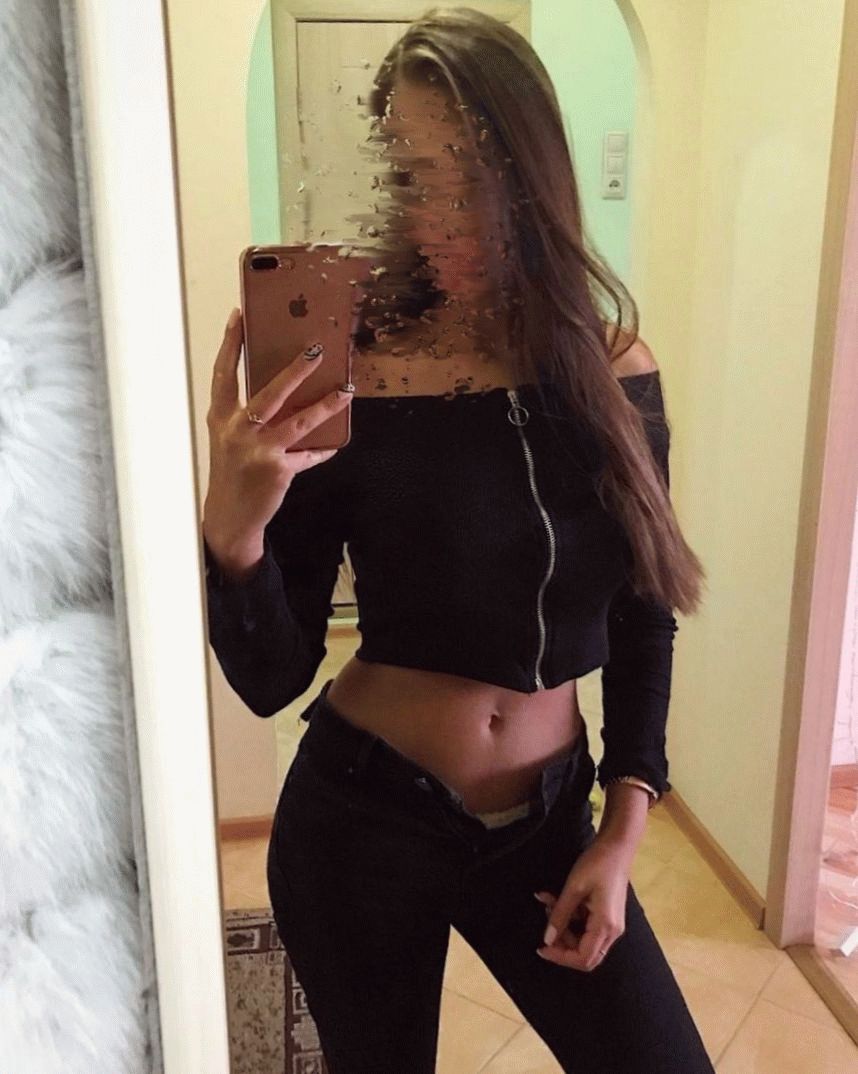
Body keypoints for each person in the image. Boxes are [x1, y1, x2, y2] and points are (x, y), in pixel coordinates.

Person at [202, 9, 713, 1073]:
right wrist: (234, 532)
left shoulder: (615, 372)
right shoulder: (356, 374)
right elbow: (271, 678)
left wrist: (621, 830)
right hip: (363, 822)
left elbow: (644, 611)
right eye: (414, 177)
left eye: (475, 176)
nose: (447, 217)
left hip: (547, 823)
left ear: (534, 170)